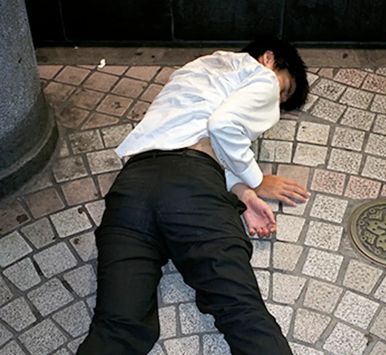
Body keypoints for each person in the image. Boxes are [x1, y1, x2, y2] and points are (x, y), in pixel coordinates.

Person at [78, 37, 309, 355]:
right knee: (243, 316)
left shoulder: (192, 72)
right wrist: (256, 180)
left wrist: (240, 193)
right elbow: (222, 125)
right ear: (269, 57)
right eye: (283, 91)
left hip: (132, 189)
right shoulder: (260, 74)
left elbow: (190, 134)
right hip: (192, 190)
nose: (276, 103)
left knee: (116, 328)